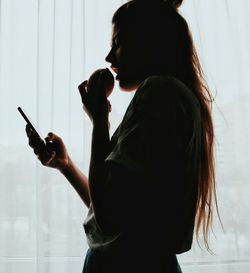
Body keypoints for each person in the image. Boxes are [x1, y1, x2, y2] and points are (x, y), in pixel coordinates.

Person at [25, 0, 220, 272]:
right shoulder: (170, 97)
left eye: (117, 43)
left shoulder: (161, 94)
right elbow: (112, 206)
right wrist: (66, 166)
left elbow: (108, 216)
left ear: (147, 42)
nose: (109, 58)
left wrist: (100, 120)